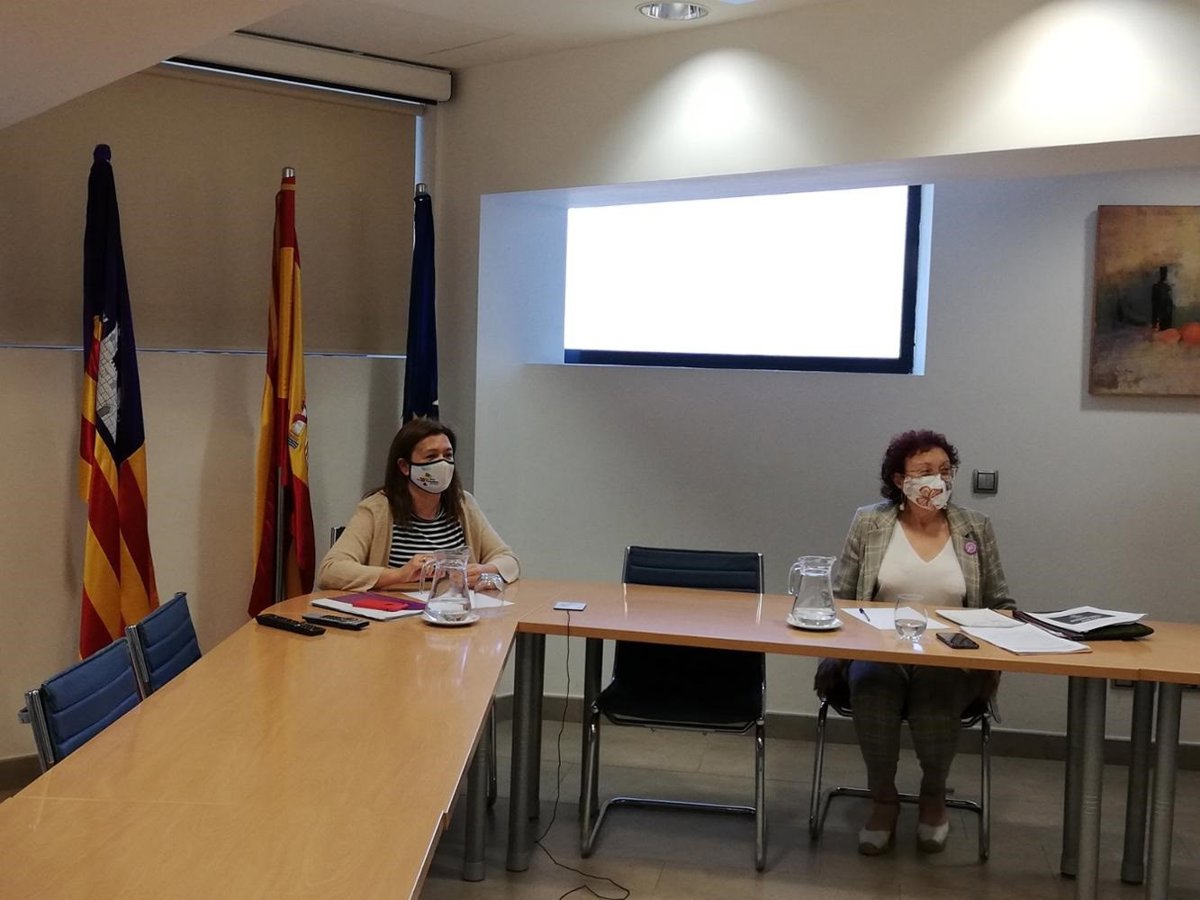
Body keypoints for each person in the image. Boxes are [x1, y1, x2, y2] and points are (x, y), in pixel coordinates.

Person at [818, 429, 1011, 856]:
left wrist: (1002, 629)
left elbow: (1001, 601)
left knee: (935, 694)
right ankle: (884, 799)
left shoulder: (974, 527)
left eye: (945, 470)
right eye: (925, 471)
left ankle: (933, 796)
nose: (937, 480)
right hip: (880, 649)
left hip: (951, 655)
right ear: (899, 479)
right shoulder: (870, 522)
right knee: (872, 686)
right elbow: (843, 597)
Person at [317, 418, 519, 591]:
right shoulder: (376, 509)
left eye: (448, 455)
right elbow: (330, 570)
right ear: (405, 466)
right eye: (431, 456)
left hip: (455, 613)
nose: (442, 464)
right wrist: (400, 575)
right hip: (395, 617)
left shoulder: (464, 504)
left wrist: (484, 570)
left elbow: (508, 560)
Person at [1151, 265, 1174, 331]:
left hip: (1164, 309)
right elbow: (1154, 301)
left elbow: (1169, 301)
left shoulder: (1166, 287)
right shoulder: (1158, 287)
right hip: (1160, 309)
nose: (1164, 275)